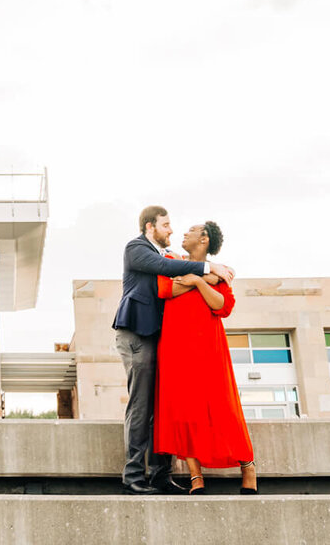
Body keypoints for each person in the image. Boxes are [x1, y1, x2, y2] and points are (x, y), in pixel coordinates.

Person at [112, 206, 235, 494]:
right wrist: (207, 269)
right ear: (149, 227)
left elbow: (181, 270)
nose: (171, 230)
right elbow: (167, 271)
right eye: (166, 225)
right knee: (141, 406)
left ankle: (160, 475)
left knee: (162, 408)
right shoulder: (137, 248)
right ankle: (133, 477)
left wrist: (210, 272)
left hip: (159, 338)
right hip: (136, 334)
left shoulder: (167, 256)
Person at [153, 221, 256, 494]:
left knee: (223, 406)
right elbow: (165, 290)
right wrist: (208, 279)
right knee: (183, 411)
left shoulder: (219, 270)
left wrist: (198, 280)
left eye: (191, 230)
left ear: (204, 239)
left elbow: (221, 305)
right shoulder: (171, 260)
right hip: (175, 347)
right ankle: (195, 477)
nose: (183, 233)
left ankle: (248, 466)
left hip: (209, 348)